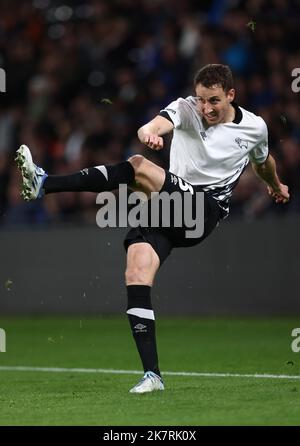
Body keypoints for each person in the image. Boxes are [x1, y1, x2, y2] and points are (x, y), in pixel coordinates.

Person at [15, 64, 290, 393]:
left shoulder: (254, 127)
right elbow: (158, 123)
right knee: (137, 271)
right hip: (170, 208)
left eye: (214, 100)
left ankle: (44, 182)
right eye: (202, 99)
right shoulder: (186, 108)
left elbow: (263, 161)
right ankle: (152, 376)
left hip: (205, 209)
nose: (206, 108)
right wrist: (149, 132)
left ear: (231, 95)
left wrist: (275, 184)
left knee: (138, 167)